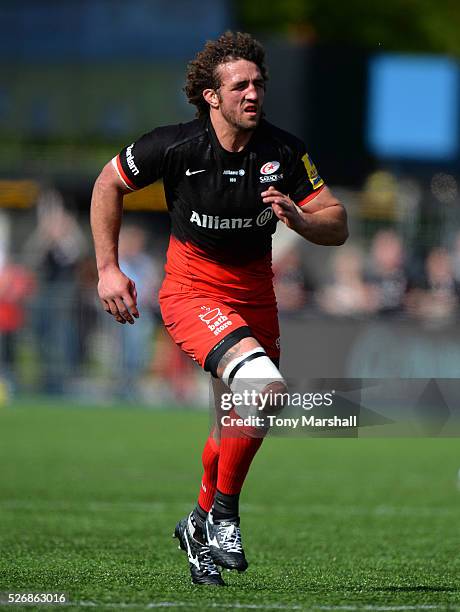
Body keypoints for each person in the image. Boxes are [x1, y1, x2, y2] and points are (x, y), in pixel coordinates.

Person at [90, 31, 348, 586]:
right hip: (191, 292)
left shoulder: (283, 151)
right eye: (240, 85)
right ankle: (223, 516)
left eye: (259, 83)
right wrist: (109, 268)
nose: (253, 93)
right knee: (266, 389)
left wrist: (301, 221)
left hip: (256, 293)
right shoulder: (176, 146)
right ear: (212, 95)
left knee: (240, 416)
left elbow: (338, 220)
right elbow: (108, 183)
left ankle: (197, 521)